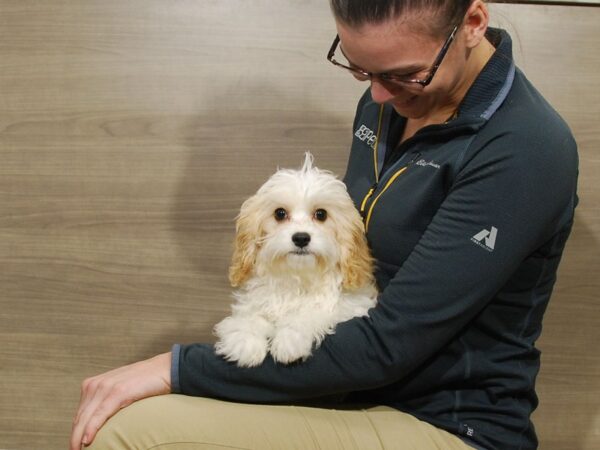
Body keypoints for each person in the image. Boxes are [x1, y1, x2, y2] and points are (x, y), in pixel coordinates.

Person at [70, 1, 578, 449]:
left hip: (448, 421)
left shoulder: (523, 148)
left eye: (403, 74)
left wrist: (175, 368)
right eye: (360, 70)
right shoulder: (390, 102)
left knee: (128, 434)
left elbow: (385, 347)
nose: (378, 96)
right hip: (350, 389)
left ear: (472, 22)